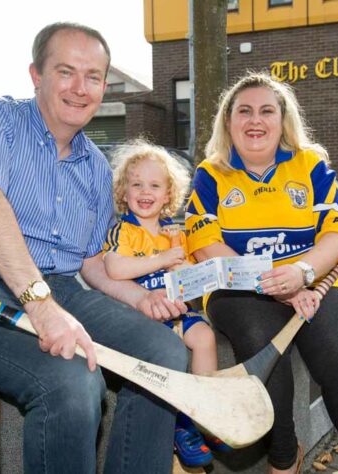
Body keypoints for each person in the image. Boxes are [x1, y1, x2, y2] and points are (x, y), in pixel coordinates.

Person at [0, 22, 188, 474]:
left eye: (93, 76)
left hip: (61, 290)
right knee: (72, 382)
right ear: (36, 74)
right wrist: (42, 306)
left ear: (105, 86)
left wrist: (140, 298)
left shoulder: (94, 164)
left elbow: (91, 261)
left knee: (166, 351)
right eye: (65, 71)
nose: (79, 88)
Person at [185, 72, 338, 474]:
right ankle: (283, 457)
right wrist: (272, 284)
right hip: (238, 286)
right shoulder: (211, 173)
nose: (254, 120)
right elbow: (207, 243)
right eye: (243, 111)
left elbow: (336, 233)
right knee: (260, 341)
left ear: (283, 120)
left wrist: (300, 272)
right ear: (228, 122)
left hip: (311, 279)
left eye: (266, 111)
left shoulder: (310, 163)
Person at [102, 140, 230, 467]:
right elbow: (115, 268)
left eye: (155, 185)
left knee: (204, 337)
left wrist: (184, 268)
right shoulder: (123, 231)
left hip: (177, 309)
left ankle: (204, 411)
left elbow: (190, 285)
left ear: (168, 194)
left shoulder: (176, 235)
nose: (146, 192)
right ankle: (182, 426)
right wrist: (161, 259)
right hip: (141, 315)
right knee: (165, 349)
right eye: (137, 184)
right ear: (124, 191)